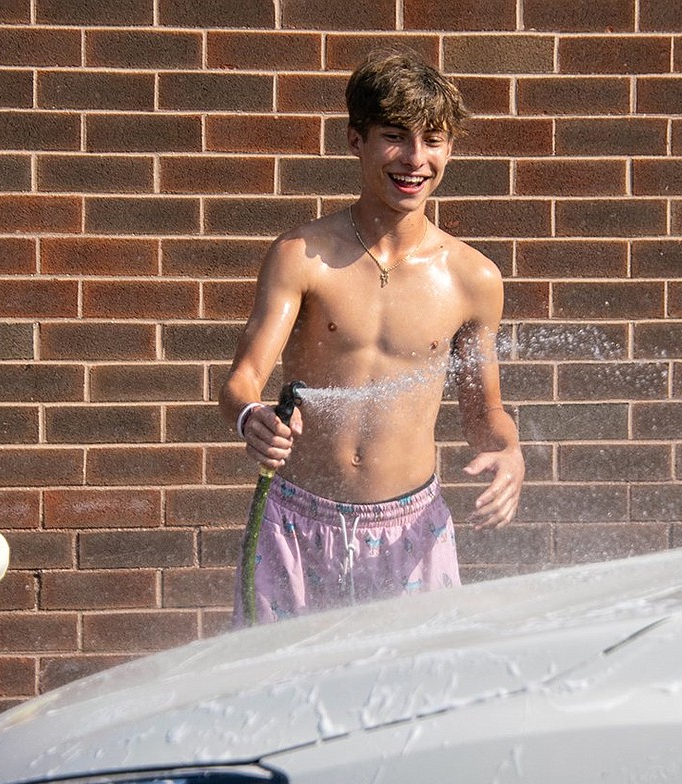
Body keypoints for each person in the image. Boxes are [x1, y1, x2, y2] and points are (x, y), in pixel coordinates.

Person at [219, 48, 524, 625]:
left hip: (412, 533)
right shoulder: (301, 256)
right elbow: (243, 380)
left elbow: (485, 413)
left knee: (414, 703)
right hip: (295, 523)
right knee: (275, 698)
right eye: (394, 136)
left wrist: (507, 451)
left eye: (433, 140)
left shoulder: (472, 279)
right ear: (356, 139)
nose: (415, 159)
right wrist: (249, 416)